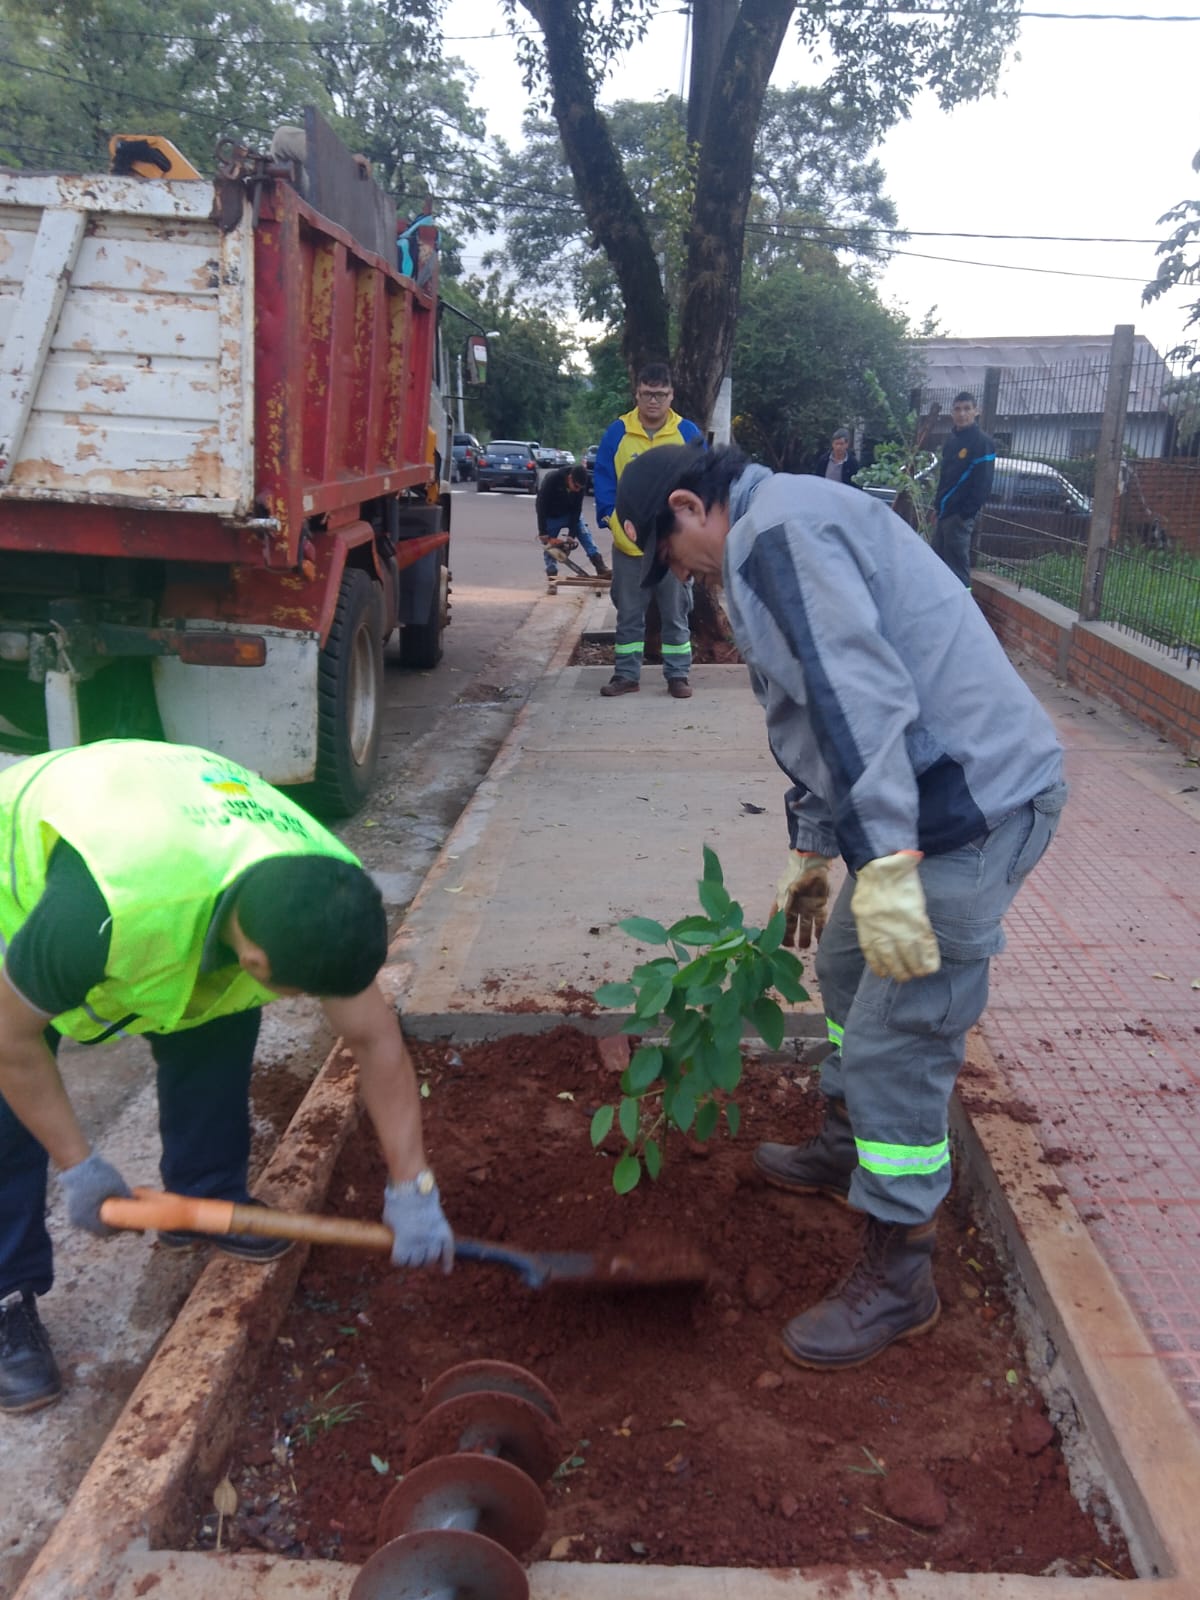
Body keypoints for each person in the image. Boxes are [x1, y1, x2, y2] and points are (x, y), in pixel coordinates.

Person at [613, 443, 1068, 1371]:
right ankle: (848, 1140)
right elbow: (815, 710)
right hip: (927, 804)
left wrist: (888, 867)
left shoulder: (779, 536)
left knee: (904, 1030)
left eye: (670, 555)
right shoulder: (772, 531)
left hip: (974, 812)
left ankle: (900, 1271)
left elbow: (862, 706)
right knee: (848, 963)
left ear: (691, 507)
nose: (679, 576)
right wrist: (814, 852)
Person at [0, 740, 454, 1416]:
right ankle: (7, 1297)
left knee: (216, 1008)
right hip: (31, 872)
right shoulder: (101, 911)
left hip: (170, 826)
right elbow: (9, 1040)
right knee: (8, 1106)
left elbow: (374, 1039)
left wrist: (411, 1184)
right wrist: (78, 1165)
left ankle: (205, 1196)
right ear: (258, 958)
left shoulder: (326, 885)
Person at [593, 363, 704, 700]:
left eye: (660, 394)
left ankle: (678, 675)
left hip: (673, 546)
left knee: (676, 612)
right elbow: (603, 478)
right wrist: (610, 518)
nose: (653, 400)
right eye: (647, 394)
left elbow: (704, 479)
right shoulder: (618, 432)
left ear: (671, 396)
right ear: (637, 394)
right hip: (630, 547)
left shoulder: (687, 433)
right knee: (629, 614)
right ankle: (626, 675)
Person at [932, 392, 995, 588]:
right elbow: (945, 478)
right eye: (958, 409)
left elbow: (983, 484)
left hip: (959, 517)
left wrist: (965, 514)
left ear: (976, 411)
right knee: (937, 562)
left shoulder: (982, 442)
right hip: (944, 513)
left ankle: (964, 604)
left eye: (967, 409)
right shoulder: (952, 441)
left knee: (957, 567)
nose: (962, 414)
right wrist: (937, 506)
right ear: (952, 413)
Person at [536, 463, 610, 582]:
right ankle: (552, 572)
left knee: (584, 533)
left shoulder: (579, 486)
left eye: (580, 488)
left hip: (569, 514)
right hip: (551, 516)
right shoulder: (552, 479)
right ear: (570, 478)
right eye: (576, 486)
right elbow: (541, 504)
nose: (577, 490)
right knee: (549, 547)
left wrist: (572, 534)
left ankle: (599, 565)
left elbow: (577, 510)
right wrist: (543, 531)